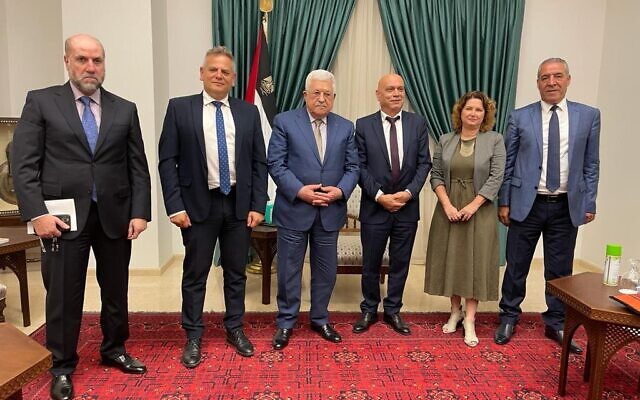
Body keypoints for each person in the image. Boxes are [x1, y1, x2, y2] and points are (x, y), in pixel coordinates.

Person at [11, 34, 151, 400]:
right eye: (83, 59)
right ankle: (60, 364)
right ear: (67, 61)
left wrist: (140, 212)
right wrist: (37, 213)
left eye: (98, 60)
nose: (91, 67)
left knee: (116, 290)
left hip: (115, 217)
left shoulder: (124, 108)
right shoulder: (41, 102)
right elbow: (23, 166)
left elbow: (138, 167)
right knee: (63, 295)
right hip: (60, 220)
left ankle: (114, 348)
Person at [158, 47, 268, 367]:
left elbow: (259, 162)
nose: (219, 75)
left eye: (225, 72)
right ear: (202, 73)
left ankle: (235, 327)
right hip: (196, 207)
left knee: (236, 273)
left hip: (238, 205)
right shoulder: (180, 108)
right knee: (196, 274)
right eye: (213, 70)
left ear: (233, 79)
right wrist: (174, 206)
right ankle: (193, 334)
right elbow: (168, 161)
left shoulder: (248, 112)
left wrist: (258, 204)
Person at [494, 58, 600, 354]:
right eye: (544, 77)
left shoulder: (589, 116)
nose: (551, 82)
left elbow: (592, 163)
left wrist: (589, 200)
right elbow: (509, 162)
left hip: (567, 204)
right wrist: (504, 201)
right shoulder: (519, 117)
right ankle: (509, 316)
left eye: (557, 76)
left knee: (560, 268)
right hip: (527, 203)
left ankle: (556, 321)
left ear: (568, 79)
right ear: (537, 82)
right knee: (516, 264)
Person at [267, 69, 359, 349]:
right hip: (295, 209)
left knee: (325, 270)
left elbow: (353, 167)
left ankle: (320, 318)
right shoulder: (284, 122)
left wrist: (340, 190)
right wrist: (300, 191)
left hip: (329, 212)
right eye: (316, 93)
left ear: (333, 97)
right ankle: (286, 322)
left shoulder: (346, 127)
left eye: (327, 94)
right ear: (305, 95)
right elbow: (276, 163)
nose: (322, 98)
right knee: (289, 270)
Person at [424, 91, 505, 347]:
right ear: (460, 112)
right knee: (453, 260)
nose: (473, 113)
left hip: (479, 209)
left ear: (485, 114)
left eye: (478, 110)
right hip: (448, 207)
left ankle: (470, 319)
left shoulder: (494, 140)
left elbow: (496, 177)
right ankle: (454, 312)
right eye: (468, 108)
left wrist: (473, 205)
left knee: (475, 261)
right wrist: (447, 204)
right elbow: (435, 175)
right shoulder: (446, 139)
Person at [353, 74, 431, 336]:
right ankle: (369, 309)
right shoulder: (363, 125)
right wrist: (379, 196)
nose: (396, 93)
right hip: (375, 206)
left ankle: (393, 310)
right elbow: (359, 166)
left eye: (400, 89)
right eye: (390, 89)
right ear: (378, 94)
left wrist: (408, 193)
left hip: (407, 208)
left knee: (401, 262)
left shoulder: (418, 123)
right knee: (371, 263)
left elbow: (424, 164)